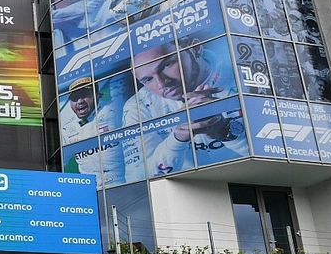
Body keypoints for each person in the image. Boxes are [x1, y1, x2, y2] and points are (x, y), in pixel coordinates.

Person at [124, 42, 242, 174]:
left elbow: (266, 148)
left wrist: (223, 130)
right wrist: (177, 139)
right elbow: (139, 176)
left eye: (167, 65)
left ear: (195, 49)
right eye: (148, 80)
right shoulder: (138, 105)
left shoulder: (241, 74)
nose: (162, 83)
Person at [60, 77, 97, 145]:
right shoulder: (65, 130)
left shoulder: (114, 111)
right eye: (74, 98)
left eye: (84, 95)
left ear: (97, 95)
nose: (80, 101)